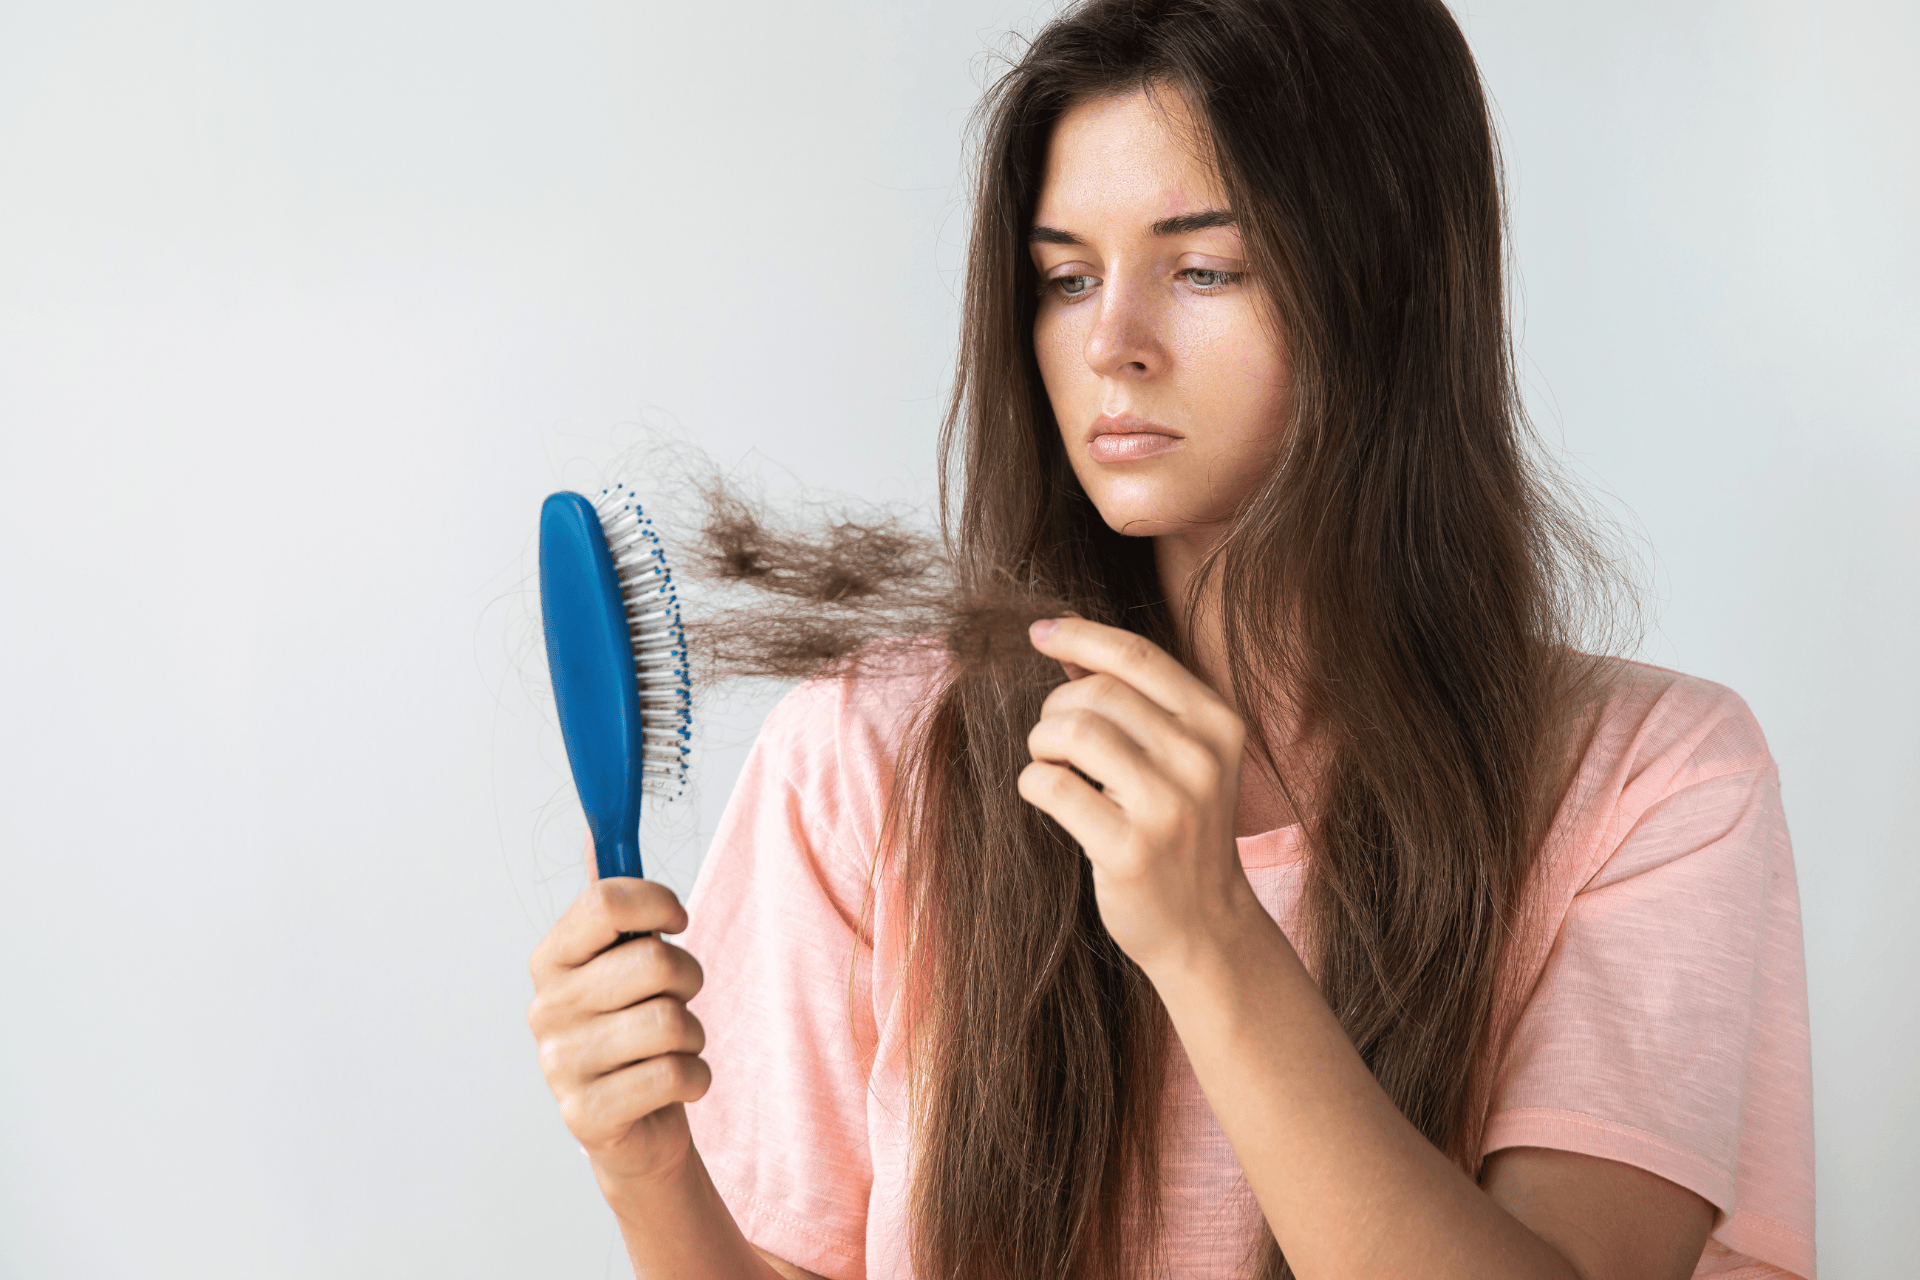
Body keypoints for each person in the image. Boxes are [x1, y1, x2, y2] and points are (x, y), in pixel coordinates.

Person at [525, 1, 1816, 1276]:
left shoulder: (1651, 781)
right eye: (1065, 277)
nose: (1110, 345)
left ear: (1390, 292)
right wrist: (649, 1177)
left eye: (1204, 268)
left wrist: (1211, 939)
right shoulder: (865, 757)